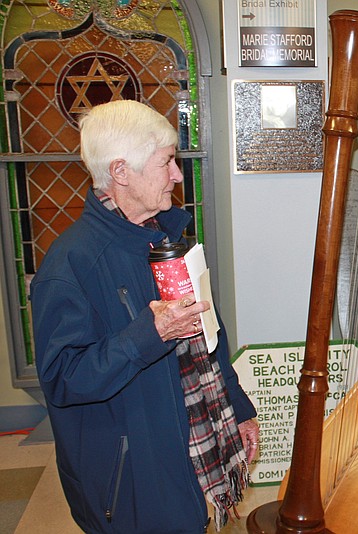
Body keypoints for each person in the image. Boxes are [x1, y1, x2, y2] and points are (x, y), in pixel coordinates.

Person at [30, 100, 259, 533]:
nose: (177, 175)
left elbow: (208, 336)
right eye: (167, 162)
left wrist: (238, 406)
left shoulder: (167, 238)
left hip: (193, 449)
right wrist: (148, 334)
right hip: (135, 480)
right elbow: (63, 378)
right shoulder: (70, 265)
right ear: (120, 172)